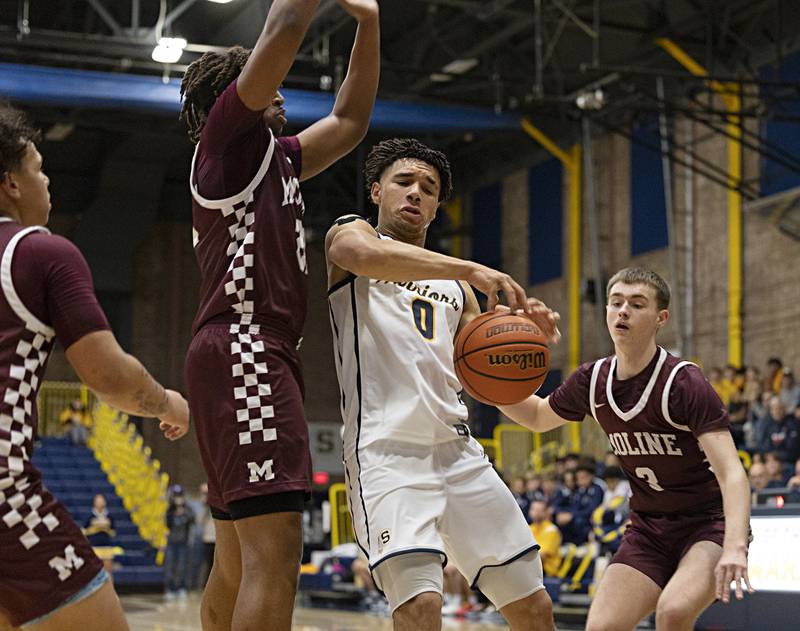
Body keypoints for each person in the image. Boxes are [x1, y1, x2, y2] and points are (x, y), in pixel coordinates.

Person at [178, 1, 379, 629]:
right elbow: (285, 27)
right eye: (270, 88)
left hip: (241, 353)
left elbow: (348, 121)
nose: (284, 94)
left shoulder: (277, 156)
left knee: (237, 558)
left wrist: (368, 25)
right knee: (278, 553)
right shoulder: (227, 143)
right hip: (247, 350)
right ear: (233, 100)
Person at [325, 138, 561, 630]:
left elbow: (514, 403)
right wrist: (472, 267)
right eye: (403, 182)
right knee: (420, 607)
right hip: (386, 452)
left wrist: (530, 353)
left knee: (534, 608)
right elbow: (365, 256)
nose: (415, 193)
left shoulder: (456, 290)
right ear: (376, 190)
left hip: (458, 454)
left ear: (436, 206)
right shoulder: (352, 237)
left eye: (428, 188)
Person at [0, 105, 189, 630]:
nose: (47, 180)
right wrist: (170, 403)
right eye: (38, 169)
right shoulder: (38, 253)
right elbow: (108, 377)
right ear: (11, 182)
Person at [499, 267, 752, 631]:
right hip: (649, 529)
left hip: (708, 524)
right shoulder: (592, 380)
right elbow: (538, 416)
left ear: (660, 318)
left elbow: (731, 473)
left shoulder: (683, 383)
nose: (623, 312)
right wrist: (487, 385)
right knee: (601, 627)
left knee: (673, 612)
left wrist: (735, 547)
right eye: (616, 303)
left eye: (636, 304)